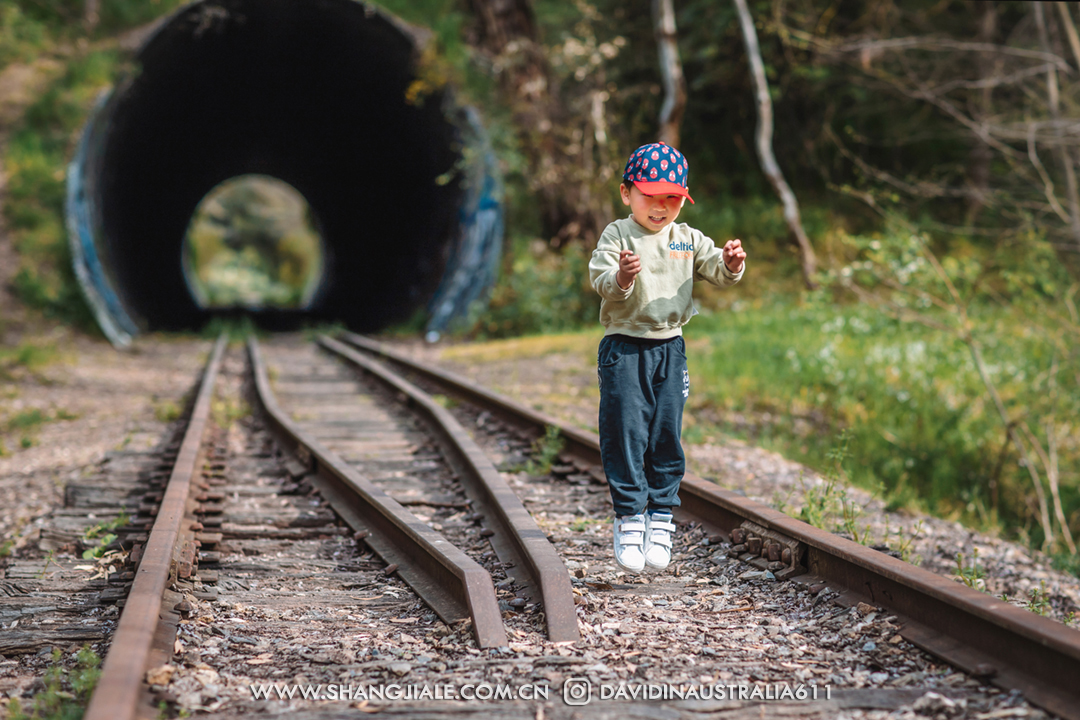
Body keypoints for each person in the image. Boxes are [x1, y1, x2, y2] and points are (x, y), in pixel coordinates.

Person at [588, 141, 746, 573]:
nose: (661, 208)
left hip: (669, 348)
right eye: (650, 197)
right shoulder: (618, 235)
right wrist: (621, 276)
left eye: (671, 199)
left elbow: (716, 268)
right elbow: (600, 277)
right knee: (625, 432)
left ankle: (660, 516)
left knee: (665, 433)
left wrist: (731, 263)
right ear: (626, 194)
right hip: (624, 346)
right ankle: (629, 517)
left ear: (683, 198)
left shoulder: (686, 237)